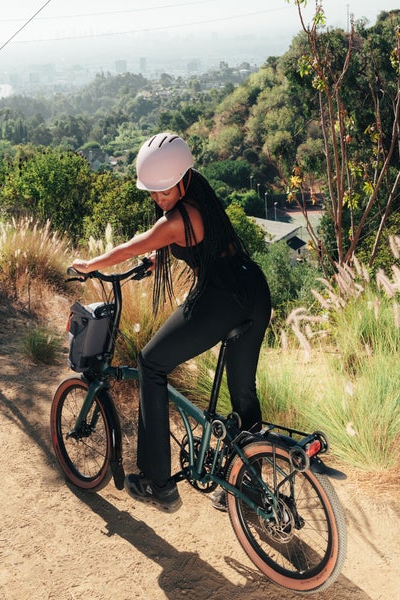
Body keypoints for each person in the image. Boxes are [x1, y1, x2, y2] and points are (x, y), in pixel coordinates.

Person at [70, 133, 271, 513]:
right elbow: (198, 243)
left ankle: (157, 482)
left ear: (181, 179)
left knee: (151, 362)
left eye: (163, 191)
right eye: (153, 192)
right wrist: (157, 261)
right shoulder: (201, 192)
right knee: (243, 395)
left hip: (222, 296)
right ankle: (251, 486)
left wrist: (90, 265)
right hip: (253, 289)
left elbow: (135, 244)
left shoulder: (178, 218)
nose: (157, 198)